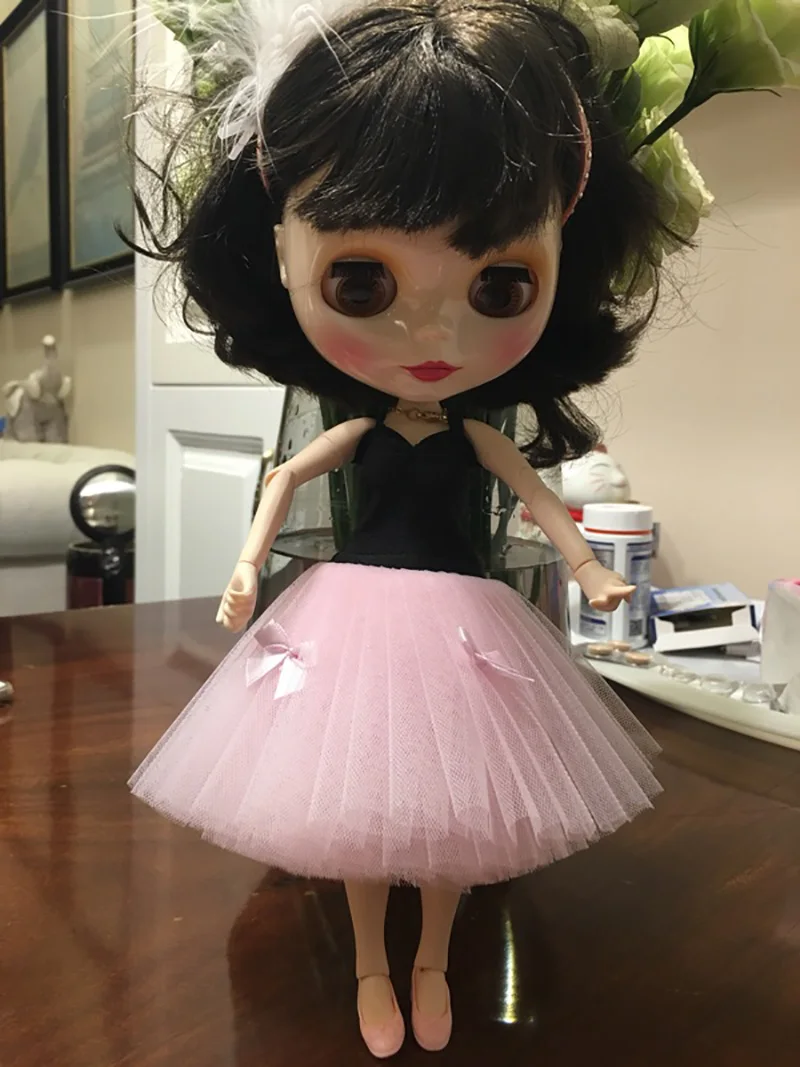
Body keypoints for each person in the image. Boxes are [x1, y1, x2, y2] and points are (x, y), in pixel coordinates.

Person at [130, 1, 672, 1056]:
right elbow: (288, 473)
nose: (431, 330)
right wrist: (245, 562)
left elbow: (538, 498)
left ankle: (429, 961)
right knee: (360, 814)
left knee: (451, 821)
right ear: (278, 249)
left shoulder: (477, 434)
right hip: (356, 620)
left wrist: (587, 567)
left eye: (499, 283)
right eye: (361, 280)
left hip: (460, 626)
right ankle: (372, 966)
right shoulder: (360, 429)